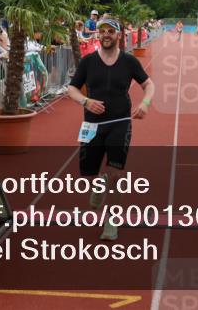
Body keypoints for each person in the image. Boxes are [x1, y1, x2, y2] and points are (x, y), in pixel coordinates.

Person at [66, 16, 155, 241]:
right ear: (99, 34)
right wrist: (86, 102)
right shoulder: (88, 61)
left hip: (119, 123)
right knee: (89, 173)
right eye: (102, 31)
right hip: (91, 125)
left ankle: (111, 222)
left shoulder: (128, 61)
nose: (106, 35)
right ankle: (100, 184)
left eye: (111, 31)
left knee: (116, 174)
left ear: (118, 35)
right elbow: (72, 89)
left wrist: (145, 103)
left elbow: (149, 84)